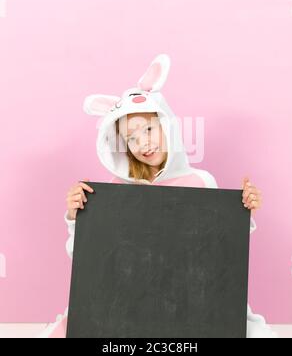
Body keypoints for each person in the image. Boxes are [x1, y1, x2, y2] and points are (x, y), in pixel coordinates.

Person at [39, 54, 277, 338]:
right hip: (131, 301)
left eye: (149, 129)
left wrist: (243, 211)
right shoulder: (117, 189)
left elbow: (222, 249)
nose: (144, 143)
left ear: (167, 126)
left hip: (192, 297)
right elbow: (91, 258)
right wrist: (75, 216)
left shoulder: (200, 181)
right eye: (132, 138)